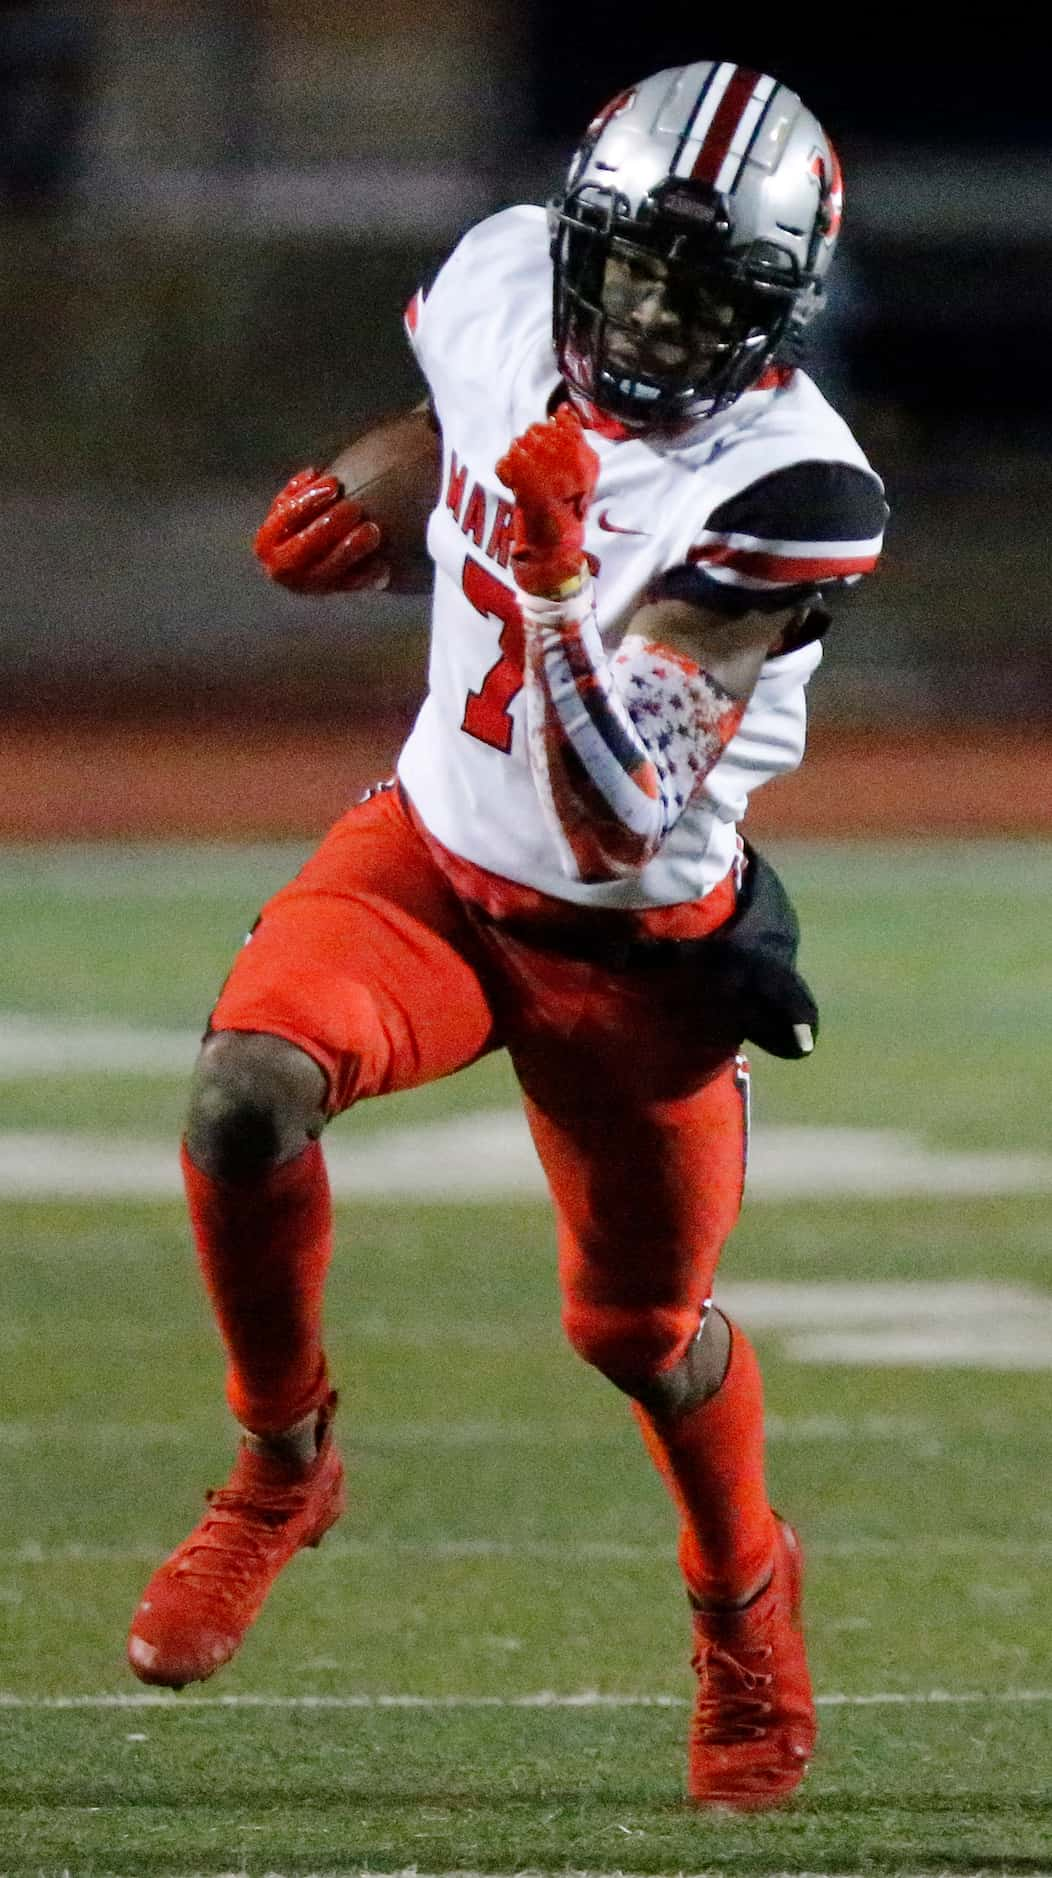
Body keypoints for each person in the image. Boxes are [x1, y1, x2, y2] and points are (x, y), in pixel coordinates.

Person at [126, 59, 886, 1809]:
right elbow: (451, 426)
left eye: (702, 295)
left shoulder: (795, 491)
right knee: (245, 1087)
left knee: (641, 1327)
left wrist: (547, 590)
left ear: (774, 319)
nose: (645, 313)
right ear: (579, 241)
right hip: (427, 867)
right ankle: (279, 1464)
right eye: (626, 267)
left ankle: (744, 1598)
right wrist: (362, 501)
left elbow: (620, 802)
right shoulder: (500, 274)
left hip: (632, 941)